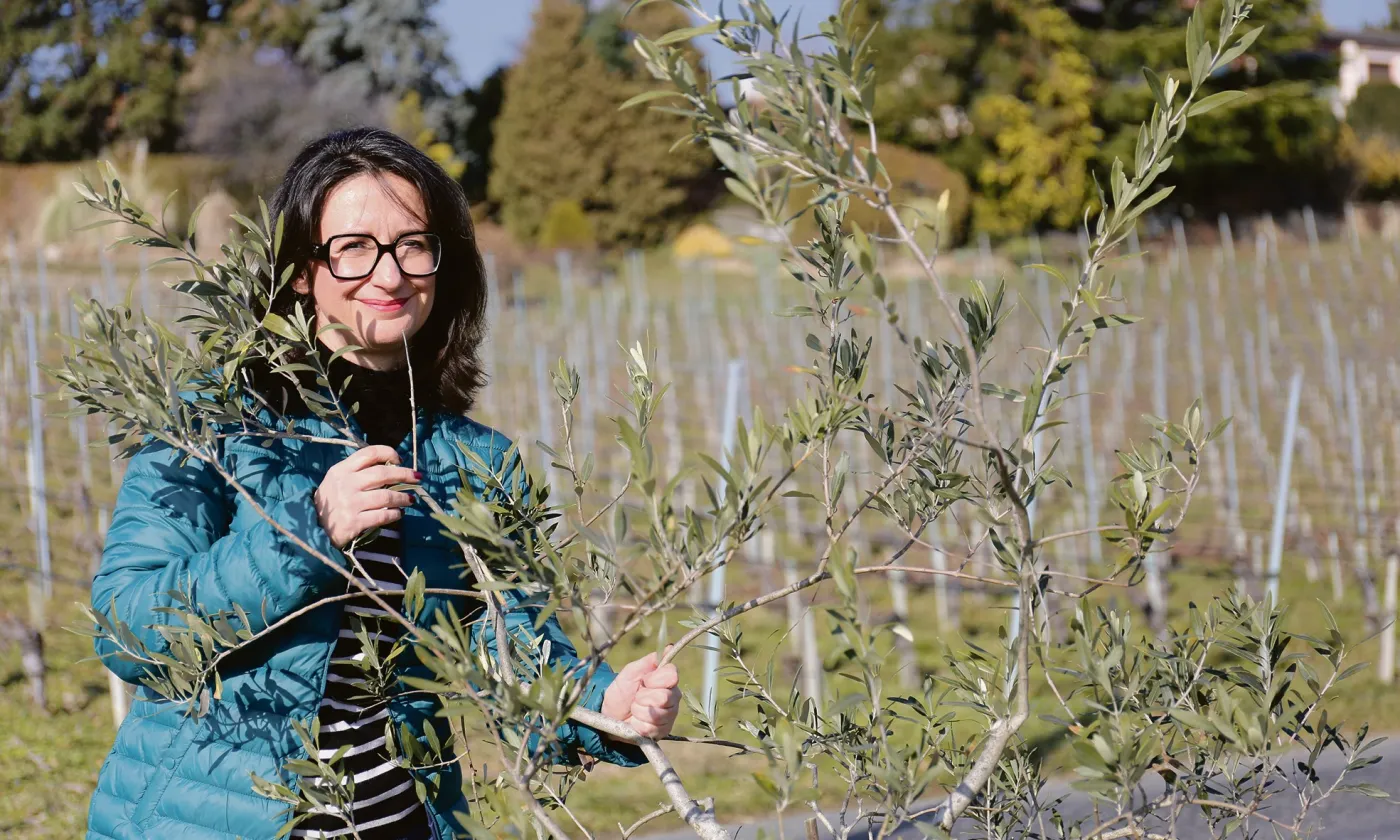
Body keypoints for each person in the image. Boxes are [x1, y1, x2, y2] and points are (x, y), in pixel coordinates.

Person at [86, 127, 681, 840]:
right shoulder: (213, 427)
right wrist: (308, 533)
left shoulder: (473, 461)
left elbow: (512, 640)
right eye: (354, 248)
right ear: (302, 271)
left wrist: (605, 707)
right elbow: (129, 629)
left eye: (412, 245)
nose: (392, 275)